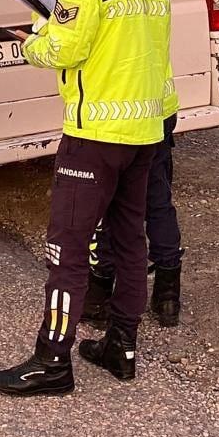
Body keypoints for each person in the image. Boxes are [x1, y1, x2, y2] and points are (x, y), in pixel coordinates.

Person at [0, 0, 173, 396]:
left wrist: (34, 31)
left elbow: (64, 48)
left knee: (66, 247)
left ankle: (52, 360)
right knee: (130, 240)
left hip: (94, 134)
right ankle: (121, 346)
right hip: (145, 130)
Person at [82, 92, 183, 328]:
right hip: (159, 110)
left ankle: (99, 297)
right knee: (159, 203)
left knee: (108, 205)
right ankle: (168, 299)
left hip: (114, 115)